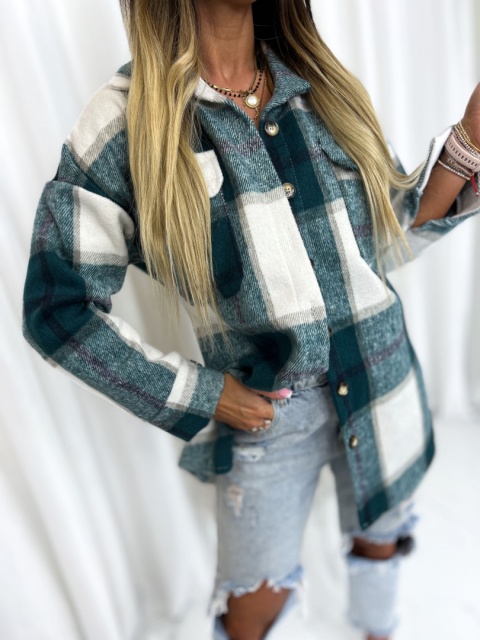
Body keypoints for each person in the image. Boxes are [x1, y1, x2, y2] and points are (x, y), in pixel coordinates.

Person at [22, 0, 480, 638]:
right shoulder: (125, 121)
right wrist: (208, 396)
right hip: (271, 417)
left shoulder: (321, 86)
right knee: (250, 613)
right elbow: (57, 310)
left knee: (381, 535)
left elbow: (384, 236)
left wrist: (469, 141)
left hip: (383, 374)